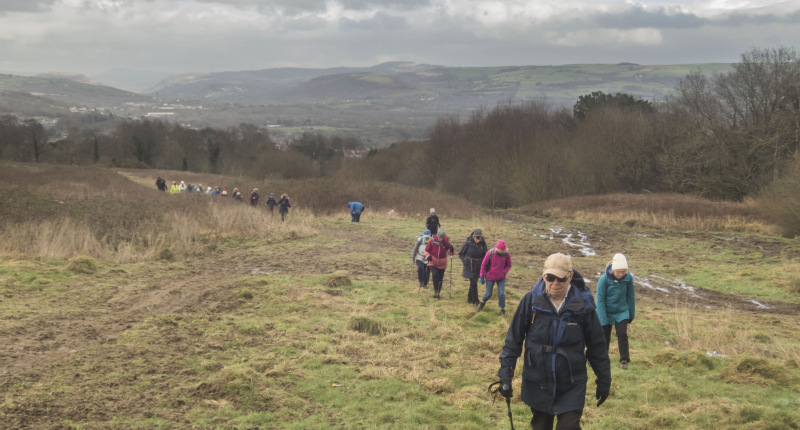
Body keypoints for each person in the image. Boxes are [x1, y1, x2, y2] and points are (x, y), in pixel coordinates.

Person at [496, 253, 611, 430]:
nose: (555, 283)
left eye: (561, 278)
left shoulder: (583, 306)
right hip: (538, 379)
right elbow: (514, 338)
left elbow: (597, 345)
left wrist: (604, 379)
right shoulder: (531, 301)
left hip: (571, 382)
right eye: (550, 277)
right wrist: (505, 372)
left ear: (570, 276)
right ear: (543, 275)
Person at [596, 253, 635, 370]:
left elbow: (630, 296)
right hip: (606, 312)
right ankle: (603, 358)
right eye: (619, 272)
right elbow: (600, 300)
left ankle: (624, 359)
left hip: (622, 311)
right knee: (605, 337)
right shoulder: (604, 279)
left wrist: (631, 313)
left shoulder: (628, 278)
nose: (621, 274)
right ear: (613, 270)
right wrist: (602, 319)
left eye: (623, 272)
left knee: (622, 334)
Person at [475, 240, 512, 316]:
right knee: (488, 294)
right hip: (490, 277)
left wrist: (504, 272)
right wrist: (481, 275)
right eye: (501, 250)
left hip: (501, 277)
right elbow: (483, 265)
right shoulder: (490, 253)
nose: (503, 252)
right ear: (497, 249)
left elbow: (509, 265)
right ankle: (481, 304)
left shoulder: (507, 254)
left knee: (501, 294)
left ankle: (502, 310)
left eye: (504, 250)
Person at [458, 229, 487, 306]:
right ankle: (475, 301)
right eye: (477, 238)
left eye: (479, 238)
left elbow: (485, 254)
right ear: (474, 237)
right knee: (473, 282)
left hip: (478, 266)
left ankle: (470, 299)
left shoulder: (483, 243)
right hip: (469, 266)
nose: (478, 240)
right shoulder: (468, 242)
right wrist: (465, 261)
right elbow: (460, 253)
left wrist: (484, 263)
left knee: (473, 282)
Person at [425, 229, 454, 299]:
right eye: (439, 237)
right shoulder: (432, 241)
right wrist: (428, 256)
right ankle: (436, 291)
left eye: (442, 237)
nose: (440, 239)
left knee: (440, 278)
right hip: (433, 261)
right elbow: (427, 250)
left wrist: (452, 251)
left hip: (442, 263)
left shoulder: (446, 243)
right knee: (435, 275)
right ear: (437, 236)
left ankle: (438, 293)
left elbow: (450, 253)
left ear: (444, 237)